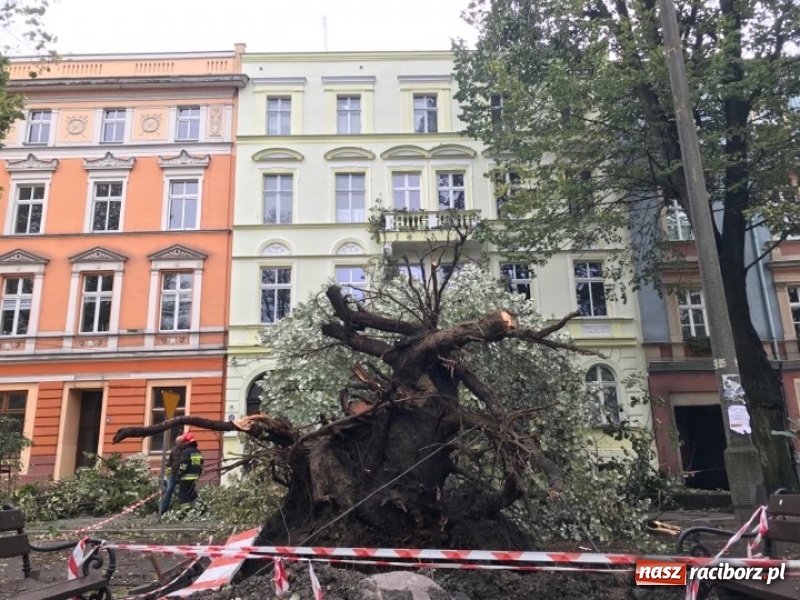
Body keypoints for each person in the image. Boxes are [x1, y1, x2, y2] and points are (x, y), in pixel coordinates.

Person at [159, 433, 186, 515]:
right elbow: (170, 461)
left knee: (183, 492)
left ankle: (183, 509)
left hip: (183, 475)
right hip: (174, 474)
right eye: (177, 442)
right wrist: (166, 465)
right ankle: (163, 509)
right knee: (169, 490)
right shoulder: (174, 450)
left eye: (180, 442)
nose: (178, 444)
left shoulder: (186, 450)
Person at [177, 432, 203, 511]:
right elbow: (201, 465)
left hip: (186, 477)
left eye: (184, 442)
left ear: (187, 442)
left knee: (183, 494)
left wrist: (179, 474)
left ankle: (186, 510)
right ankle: (196, 505)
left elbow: (184, 465)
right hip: (195, 476)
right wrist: (198, 475)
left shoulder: (186, 452)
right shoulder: (198, 452)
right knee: (190, 492)